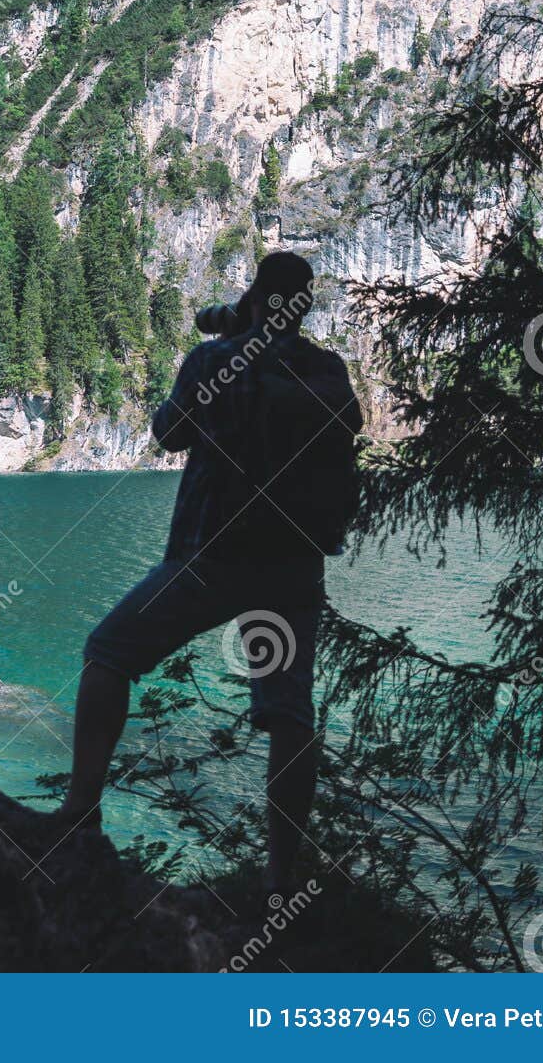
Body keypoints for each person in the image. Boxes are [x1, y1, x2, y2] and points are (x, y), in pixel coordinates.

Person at [56, 251, 363, 892]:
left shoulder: (217, 360)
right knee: (288, 715)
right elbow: (346, 430)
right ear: (303, 306)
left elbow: (169, 434)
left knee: (108, 654)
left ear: (253, 296)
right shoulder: (327, 371)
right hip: (294, 565)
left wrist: (230, 343)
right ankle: (283, 879)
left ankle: (81, 810)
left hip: (211, 554)